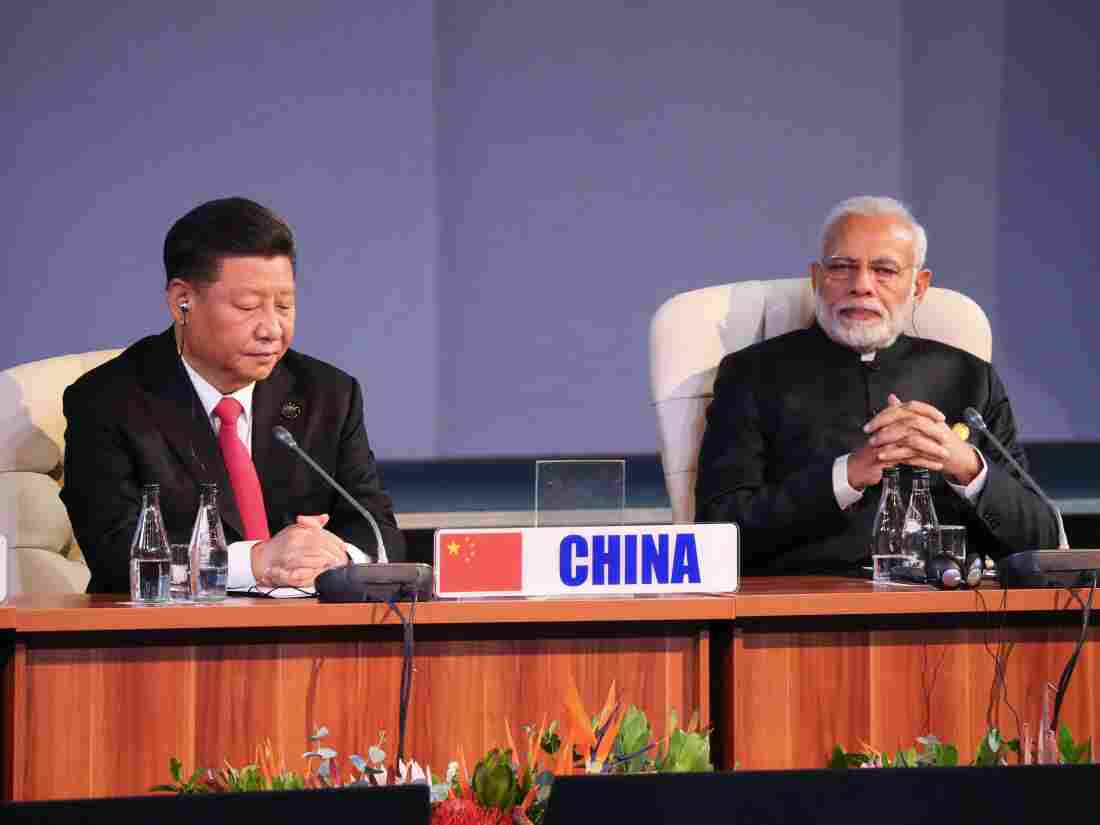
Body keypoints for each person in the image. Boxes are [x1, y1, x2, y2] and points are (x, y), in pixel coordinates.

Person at [695, 196, 1060, 575]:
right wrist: (846, 475)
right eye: (842, 267)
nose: (861, 285)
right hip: (801, 613)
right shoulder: (752, 375)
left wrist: (965, 465)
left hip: (948, 615)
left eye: (884, 270)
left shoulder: (970, 379)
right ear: (817, 279)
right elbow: (716, 534)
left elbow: (1044, 542)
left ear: (919, 286)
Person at [62, 196, 405, 593]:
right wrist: (256, 561)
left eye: (285, 306)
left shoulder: (328, 394)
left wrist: (336, 558)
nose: (272, 329)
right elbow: (115, 555)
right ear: (182, 302)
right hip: (169, 643)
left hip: (309, 640)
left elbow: (379, 532)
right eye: (247, 306)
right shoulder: (109, 402)